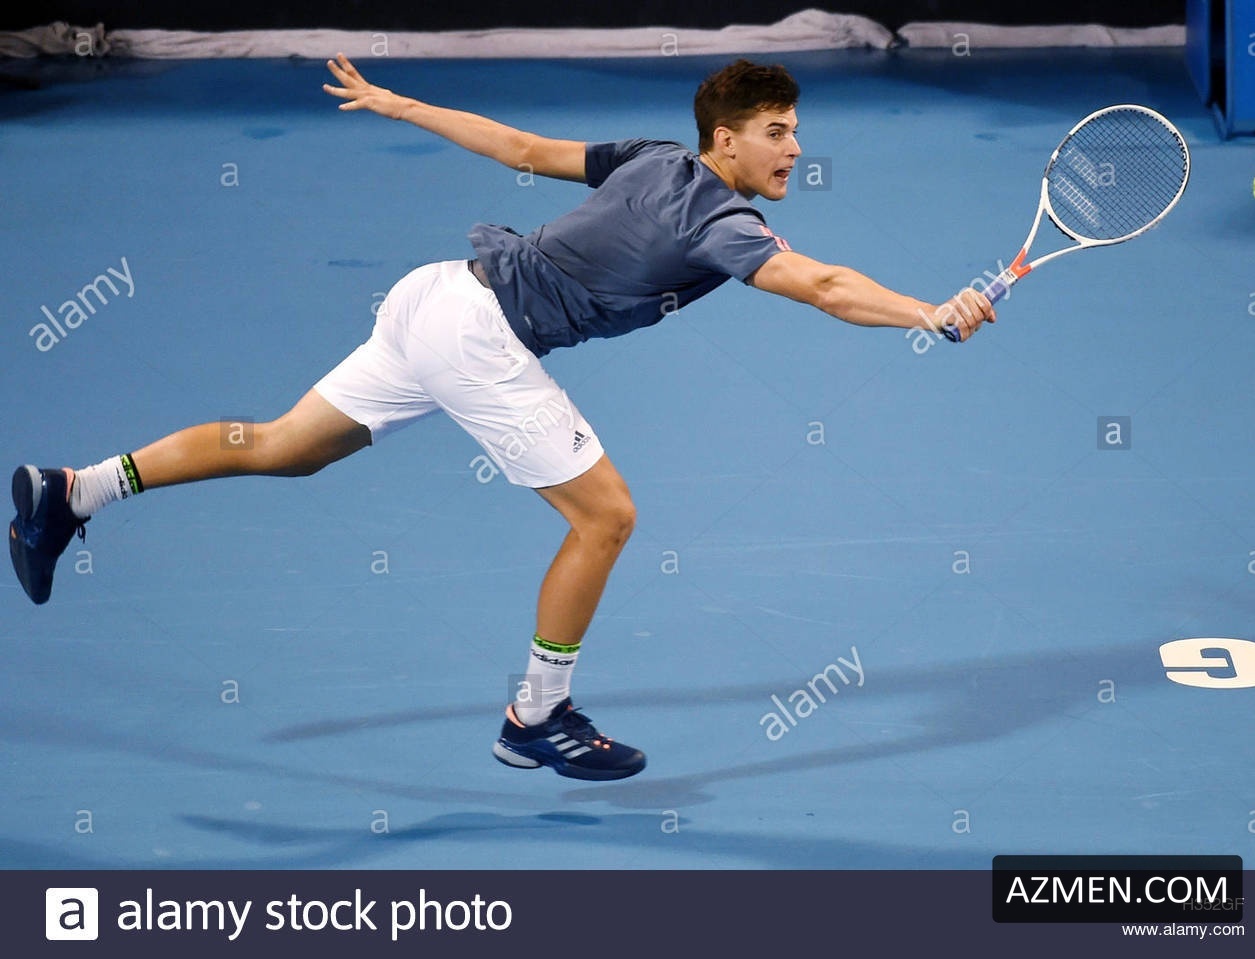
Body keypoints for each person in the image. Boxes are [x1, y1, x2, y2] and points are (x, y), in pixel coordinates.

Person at [9, 55, 994, 781]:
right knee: (606, 516)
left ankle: (72, 489)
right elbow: (821, 284)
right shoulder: (715, 215)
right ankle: (537, 715)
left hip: (435, 293)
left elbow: (521, 149)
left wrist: (401, 103)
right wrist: (928, 312)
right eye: (777, 131)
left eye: (795, 130)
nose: (796, 148)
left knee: (283, 446)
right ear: (725, 139)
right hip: (481, 336)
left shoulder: (653, 157)